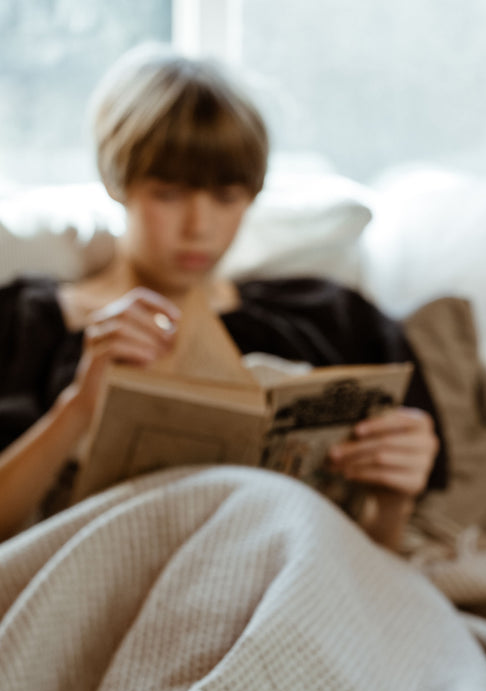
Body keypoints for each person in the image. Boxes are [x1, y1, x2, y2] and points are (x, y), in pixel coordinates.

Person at [0, 44, 444, 549]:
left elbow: (378, 557)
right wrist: (77, 408)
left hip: (297, 573)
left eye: (227, 197)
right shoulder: (26, 322)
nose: (199, 227)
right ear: (118, 182)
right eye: (168, 193)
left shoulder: (326, 317)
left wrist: (392, 503)